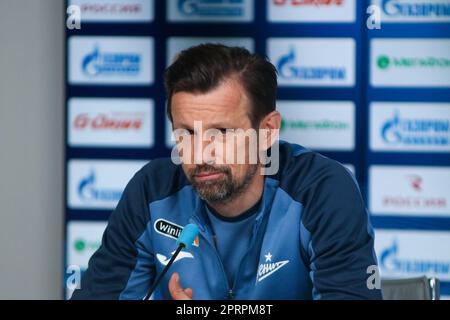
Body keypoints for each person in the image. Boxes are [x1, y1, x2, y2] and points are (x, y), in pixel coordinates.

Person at [71, 44, 382, 300]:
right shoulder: (152, 190)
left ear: (268, 130)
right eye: (186, 134)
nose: (201, 154)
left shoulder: (321, 190)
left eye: (221, 132)